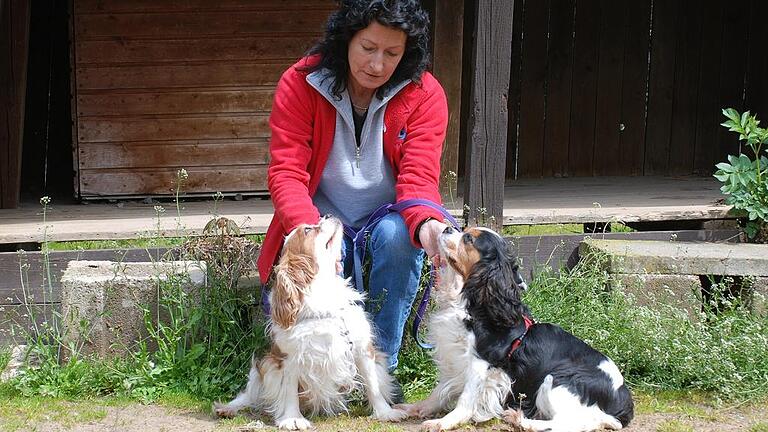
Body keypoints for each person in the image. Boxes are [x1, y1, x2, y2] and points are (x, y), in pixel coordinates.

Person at [256, 0, 449, 375]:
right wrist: (308, 232)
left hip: (387, 218)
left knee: (398, 238)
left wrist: (429, 227)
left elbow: (419, 177)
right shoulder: (300, 82)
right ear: (346, 38)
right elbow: (287, 172)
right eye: (368, 48)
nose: (377, 65)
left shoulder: (425, 94)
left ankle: (380, 369)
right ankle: (319, 371)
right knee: (322, 248)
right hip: (321, 219)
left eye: (392, 53)